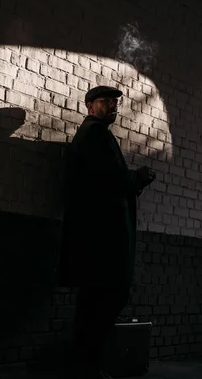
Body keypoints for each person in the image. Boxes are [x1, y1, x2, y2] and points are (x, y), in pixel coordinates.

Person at [57, 85, 156, 379]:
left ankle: (85, 365)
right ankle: (87, 365)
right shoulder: (95, 134)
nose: (112, 107)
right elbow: (109, 178)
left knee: (94, 302)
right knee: (108, 298)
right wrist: (138, 177)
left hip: (97, 237)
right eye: (105, 102)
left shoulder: (94, 135)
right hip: (103, 238)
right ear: (89, 105)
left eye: (114, 103)